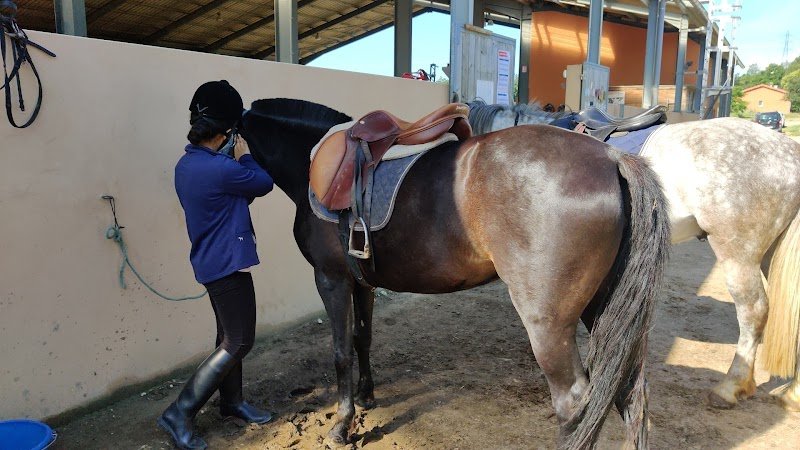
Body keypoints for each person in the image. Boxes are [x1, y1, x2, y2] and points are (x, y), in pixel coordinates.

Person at [158, 80, 274, 450]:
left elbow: (228, 201)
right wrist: (245, 155)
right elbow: (263, 183)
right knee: (240, 340)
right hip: (226, 264)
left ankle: (232, 402)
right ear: (225, 134)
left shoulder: (187, 164)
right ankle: (179, 412)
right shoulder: (224, 169)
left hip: (212, 260)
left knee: (227, 337)